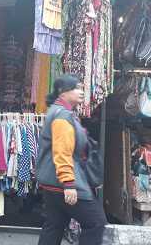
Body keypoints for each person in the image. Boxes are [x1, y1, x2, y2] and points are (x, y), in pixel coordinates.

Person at [37, 74, 106, 245]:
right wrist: (69, 183)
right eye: (77, 88)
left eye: (82, 88)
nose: (81, 92)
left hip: (52, 182)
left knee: (54, 226)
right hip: (63, 183)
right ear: (62, 91)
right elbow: (62, 152)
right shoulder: (62, 116)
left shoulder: (59, 111)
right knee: (95, 222)